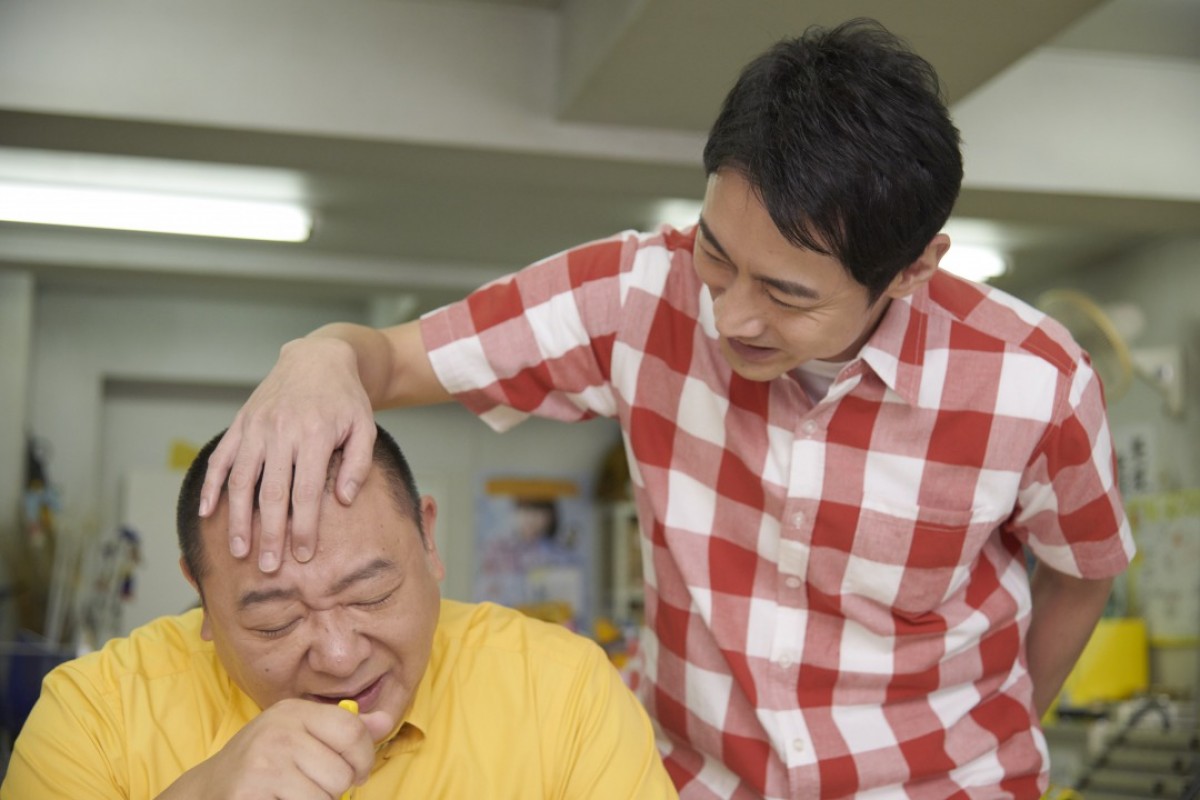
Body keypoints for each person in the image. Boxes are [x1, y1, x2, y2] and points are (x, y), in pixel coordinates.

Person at [198, 19, 1134, 799]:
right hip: (692, 783)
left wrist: (995, 727)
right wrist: (317, 356)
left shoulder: (1032, 384)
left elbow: (1082, 574)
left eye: (787, 294)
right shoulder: (639, 293)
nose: (728, 317)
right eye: (717, 254)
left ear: (916, 268)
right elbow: (391, 359)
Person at [1, 425, 677, 799]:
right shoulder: (93, 714)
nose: (338, 654)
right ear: (202, 597)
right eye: (276, 621)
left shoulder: (559, 691)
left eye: (371, 595)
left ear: (429, 537)